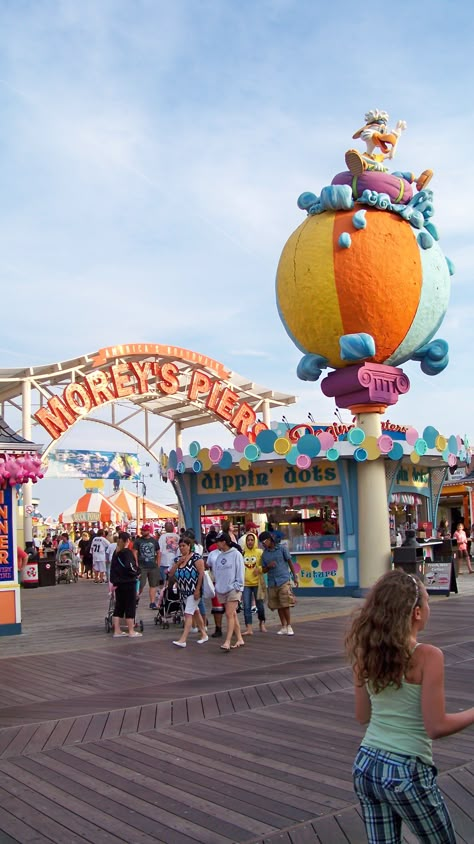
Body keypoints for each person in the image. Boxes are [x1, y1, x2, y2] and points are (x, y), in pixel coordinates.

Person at [346, 569, 474, 844]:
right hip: (407, 770)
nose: (429, 608)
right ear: (416, 612)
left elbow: (362, 716)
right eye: (426, 601)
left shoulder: (364, 652)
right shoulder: (428, 656)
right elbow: (436, 727)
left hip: (366, 764)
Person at [167, 536, 207, 647]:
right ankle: (203, 634)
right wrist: (178, 563)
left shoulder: (196, 558)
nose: (182, 548)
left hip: (194, 590)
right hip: (183, 590)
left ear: (189, 546)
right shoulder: (178, 559)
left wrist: (198, 589)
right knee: (195, 611)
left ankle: (183, 639)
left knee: (188, 613)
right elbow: (171, 574)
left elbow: (201, 574)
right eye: (180, 546)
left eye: (184, 546)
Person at [259, 531, 298, 636]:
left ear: (269, 539)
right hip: (272, 581)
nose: (263, 544)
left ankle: (289, 625)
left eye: (264, 541)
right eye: (261, 543)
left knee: (285, 603)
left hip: (283, 579)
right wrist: (268, 566)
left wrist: (295, 576)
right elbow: (263, 570)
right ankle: (283, 626)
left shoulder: (282, 549)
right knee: (278, 605)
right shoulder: (264, 554)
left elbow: (290, 562)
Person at [214, 532, 245, 651]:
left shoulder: (236, 554)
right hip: (222, 589)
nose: (216, 544)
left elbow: (240, 571)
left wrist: (238, 585)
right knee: (232, 614)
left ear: (224, 542)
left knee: (228, 614)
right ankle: (239, 638)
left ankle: (227, 641)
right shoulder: (219, 556)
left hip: (234, 588)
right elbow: (217, 572)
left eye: (218, 541)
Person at [110, 531, 142, 638]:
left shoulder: (116, 552)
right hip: (128, 582)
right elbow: (130, 567)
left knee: (119, 606)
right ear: (128, 540)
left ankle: (117, 630)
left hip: (118, 582)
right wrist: (137, 572)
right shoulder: (127, 552)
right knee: (130, 606)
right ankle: (131, 631)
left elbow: (113, 568)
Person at [242, 532, 266, 635]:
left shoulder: (260, 552)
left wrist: (259, 569)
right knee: (246, 606)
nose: (250, 542)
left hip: (257, 583)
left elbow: (265, 565)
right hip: (245, 584)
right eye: (248, 540)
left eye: (252, 540)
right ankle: (249, 628)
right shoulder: (242, 553)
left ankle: (262, 623)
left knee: (260, 605)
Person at [134, 524, 160, 608]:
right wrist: (136, 563)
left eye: (144, 530)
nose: (142, 532)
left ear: (149, 531)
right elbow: (135, 552)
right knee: (141, 584)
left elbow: (159, 552)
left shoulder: (154, 541)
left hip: (153, 566)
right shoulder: (138, 541)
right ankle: (136, 598)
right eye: (142, 530)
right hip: (142, 566)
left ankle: (152, 602)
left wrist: (158, 564)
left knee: (153, 584)